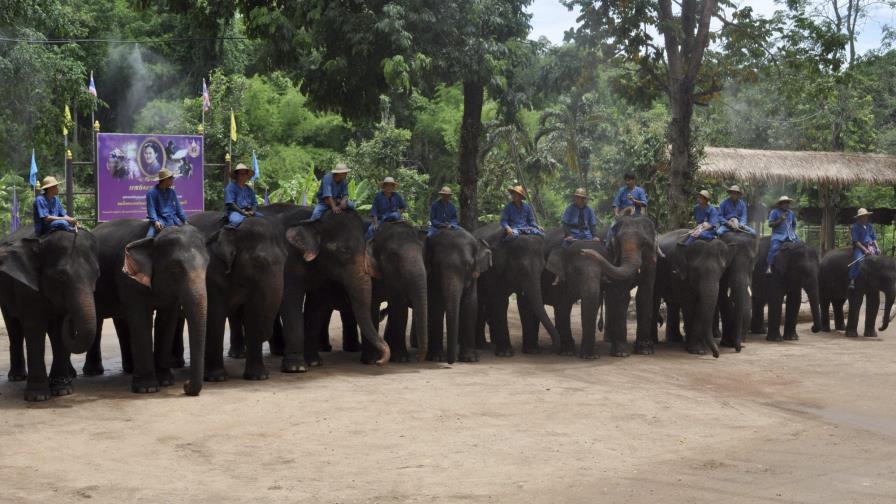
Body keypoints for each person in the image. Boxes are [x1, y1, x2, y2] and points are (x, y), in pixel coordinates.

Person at [606, 172, 648, 242]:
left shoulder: (640, 191)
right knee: (612, 227)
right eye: (626, 180)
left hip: (637, 216)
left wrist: (634, 201)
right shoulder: (621, 190)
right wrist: (616, 213)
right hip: (624, 215)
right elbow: (616, 203)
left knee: (649, 229)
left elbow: (644, 203)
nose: (627, 182)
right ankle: (608, 245)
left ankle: (655, 246)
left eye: (629, 180)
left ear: (634, 180)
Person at [145, 168, 187, 238]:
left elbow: (178, 208)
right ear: (166, 180)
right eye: (171, 179)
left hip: (172, 219)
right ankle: (145, 246)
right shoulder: (151, 193)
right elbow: (151, 208)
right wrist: (155, 221)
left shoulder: (172, 192)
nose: (173, 181)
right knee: (149, 236)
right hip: (160, 219)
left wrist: (185, 220)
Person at [766, 195, 799, 274]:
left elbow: (794, 223)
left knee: (800, 246)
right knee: (774, 248)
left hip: (791, 236)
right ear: (780, 204)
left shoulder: (791, 213)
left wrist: (792, 231)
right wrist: (780, 219)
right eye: (784, 203)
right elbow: (770, 224)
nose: (786, 204)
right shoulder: (774, 212)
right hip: (778, 235)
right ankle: (769, 266)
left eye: (787, 203)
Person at [848, 208, 880, 289]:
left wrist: (877, 247)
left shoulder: (869, 226)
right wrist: (865, 250)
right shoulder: (855, 227)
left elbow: (873, 238)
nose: (865, 217)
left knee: (877, 260)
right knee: (859, 260)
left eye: (866, 216)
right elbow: (856, 241)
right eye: (863, 216)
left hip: (871, 246)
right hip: (859, 247)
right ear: (859, 217)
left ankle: (875, 278)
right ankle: (852, 279)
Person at [224, 163, 262, 228]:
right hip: (236, 212)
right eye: (240, 174)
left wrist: (252, 211)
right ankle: (226, 234)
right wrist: (242, 212)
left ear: (247, 176)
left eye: (244, 174)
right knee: (235, 221)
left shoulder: (249, 189)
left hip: (249, 211)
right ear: (236, 175)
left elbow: (255, 203)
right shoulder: (230, 187)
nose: (242, 176)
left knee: (264, 219)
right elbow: (230, 203)